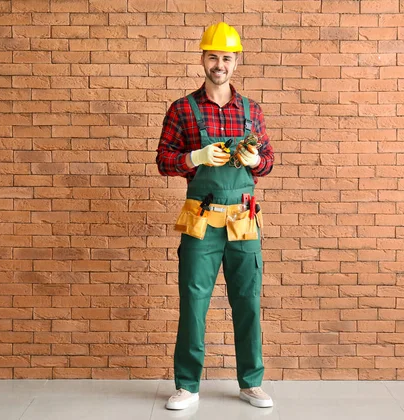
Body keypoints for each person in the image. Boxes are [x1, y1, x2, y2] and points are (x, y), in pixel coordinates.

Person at [156, 22, 275, 410]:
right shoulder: (182, 109)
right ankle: (187, 385)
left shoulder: (251, 111)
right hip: (201, 217)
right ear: (203, 59)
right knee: (193, 300)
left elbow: (269, 162)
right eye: (213, 56)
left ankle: (251, 382)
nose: (219, 63)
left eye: (226, 57)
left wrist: (257, 160)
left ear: (235, 61)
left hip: (243, 216)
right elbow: (163, 160)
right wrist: (194, 157)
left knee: (247, 300)